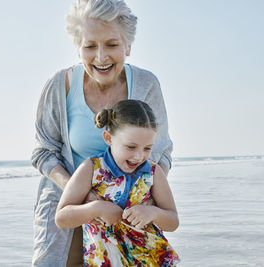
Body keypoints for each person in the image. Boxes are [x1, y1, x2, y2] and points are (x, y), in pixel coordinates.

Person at [31, 0, 173, 266]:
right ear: (77, 47)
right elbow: (44, 152)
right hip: (69, 207)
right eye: (89, 46)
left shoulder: (146, 84)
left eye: (111, 44)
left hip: (128, 216)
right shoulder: (59, 86)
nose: (101, 57)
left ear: (128, 45)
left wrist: (146, 207)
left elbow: (161, 152)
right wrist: (85, 196)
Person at [55, 100, 180, 266]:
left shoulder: (153, 172)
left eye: (147, 148)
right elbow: (61, 218)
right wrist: (96, 208)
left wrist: (153, 213)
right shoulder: (91, 169)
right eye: (131, 147)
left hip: (150, 261)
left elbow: (173, 221)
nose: (139, 156)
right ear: (108, 138)